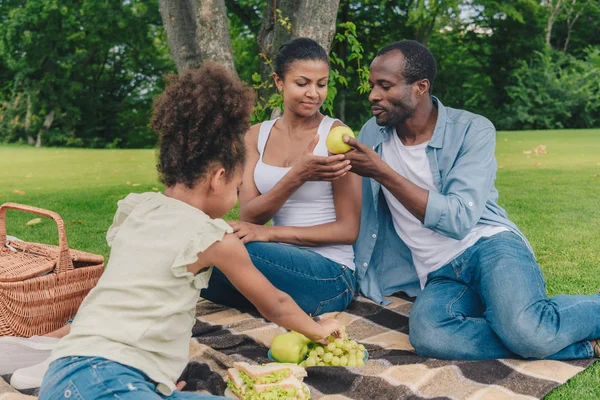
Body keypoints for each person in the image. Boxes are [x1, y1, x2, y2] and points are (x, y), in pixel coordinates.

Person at [32, 63, 343, 400]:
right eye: (237, 186)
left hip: (69, 370)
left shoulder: (139, 208)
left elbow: (128, 296)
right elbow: (276, 304)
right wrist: (320, 330)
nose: (236, 197)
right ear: (218, 178)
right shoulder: (210, 237)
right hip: (106, 380)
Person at [343, 40, 600, 360]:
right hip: (439, 271)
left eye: (385, 86)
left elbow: (457, 219)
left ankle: (539, 325)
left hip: (489, 246)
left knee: (528, 333)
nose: (373, 96)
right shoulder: (372, 134)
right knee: (429, 335)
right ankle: (580, 347)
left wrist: (382, 173)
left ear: (420, 87)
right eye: (371, 86)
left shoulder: (472, 130)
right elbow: (356, 205)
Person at [200, 37, 361, 317]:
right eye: (302, 83)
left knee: (219, 250)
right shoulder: (256, 136)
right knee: (190, 244)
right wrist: (295, 176)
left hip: (330, 276)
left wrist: (271, 234)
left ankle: (274, 300)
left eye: (321, 84)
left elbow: (348, 230)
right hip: (275, 262)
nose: (314, 93)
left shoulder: (337, 137)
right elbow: (251, 216)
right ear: (278, 81)